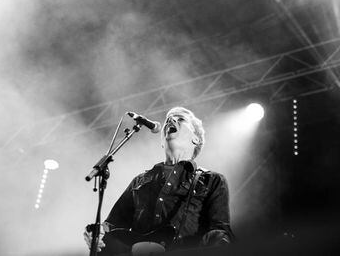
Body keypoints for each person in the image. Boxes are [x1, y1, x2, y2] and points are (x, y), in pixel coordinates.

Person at [84, 106, 233, 254]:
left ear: (196, 139)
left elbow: (219, 232)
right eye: (168, 119)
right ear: (162, 141)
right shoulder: (140, 181)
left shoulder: (212, 180)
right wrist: (97, 234)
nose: (171, 120)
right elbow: (111, 225)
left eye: (180, 119)